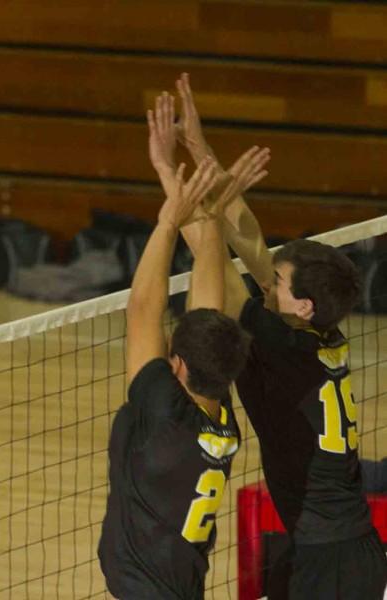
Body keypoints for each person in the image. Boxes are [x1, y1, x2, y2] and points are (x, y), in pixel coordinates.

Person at [175, 72, 387, 599]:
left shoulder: (279, 344)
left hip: (330, 561)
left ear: (303, 305)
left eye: (279, 283)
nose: (268, 283)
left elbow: (214, 258)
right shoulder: (318, 333)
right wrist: (201, 147)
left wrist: (186, 191)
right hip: (341, 549)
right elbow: (251, 241)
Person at [97, 107, 253, 598]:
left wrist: (170, 221)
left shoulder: (164, 415)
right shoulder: (220, 418)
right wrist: (198, 212)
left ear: (177, 366)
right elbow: (210, 311)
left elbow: (143, 309)